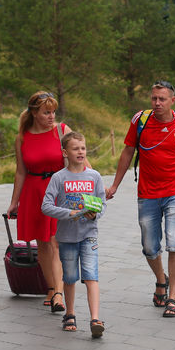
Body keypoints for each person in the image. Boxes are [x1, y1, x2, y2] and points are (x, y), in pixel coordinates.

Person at [106, 81, 175, 318]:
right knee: (149, 246)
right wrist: (115, 184)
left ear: (172, 101)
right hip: (147, 192)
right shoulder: (140, 121)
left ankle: (172, 298)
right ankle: (161, 279)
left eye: (162, 99)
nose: (157, 103)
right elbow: (128, 151)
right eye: (154, 98)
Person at [7, 91, 80, 312]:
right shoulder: (22, 137)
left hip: (59, 191)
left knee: (55, 243)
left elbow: (80, 158)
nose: (51, 116)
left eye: (53, 111)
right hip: (34, 192)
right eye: (46, 112)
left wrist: (93, 185)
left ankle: (58, 293)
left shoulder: (61, 130)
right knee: (43, 245)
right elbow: (20, 172)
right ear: (34, 113)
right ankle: (51, 287)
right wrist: (14, 203)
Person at [41, 132, 106, 337]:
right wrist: (68, 213)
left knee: (91, 275)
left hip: (89, 234)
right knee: (69, 277)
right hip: (67, 237)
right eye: (76, 148)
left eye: (83, 148)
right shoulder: (59, 178)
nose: (80, 152)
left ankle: (95, 318)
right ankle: (70, 314)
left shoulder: (94, 176)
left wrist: (95, 214)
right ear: (65, 152)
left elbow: (102, 204)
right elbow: (46, 206)